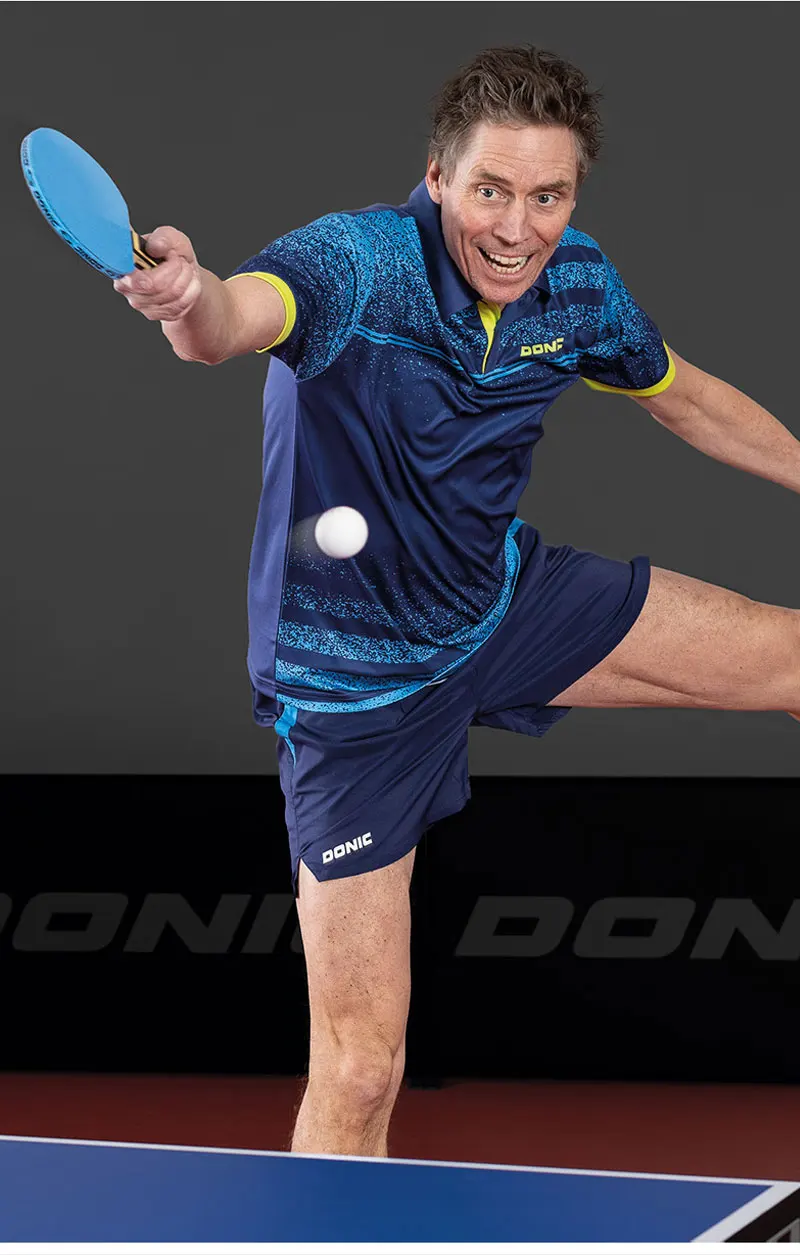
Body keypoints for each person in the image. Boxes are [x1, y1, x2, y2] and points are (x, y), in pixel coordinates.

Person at [113, 45, 800, 1157]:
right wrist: (188, 299)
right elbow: (232, 322)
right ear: (436, 178)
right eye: (491, 190)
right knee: (359, 1069)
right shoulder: (355, 264)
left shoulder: (576, 286)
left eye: (548, 196)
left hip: (499, 607)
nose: (518, 228)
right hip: (355, 690)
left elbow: (686, 397)